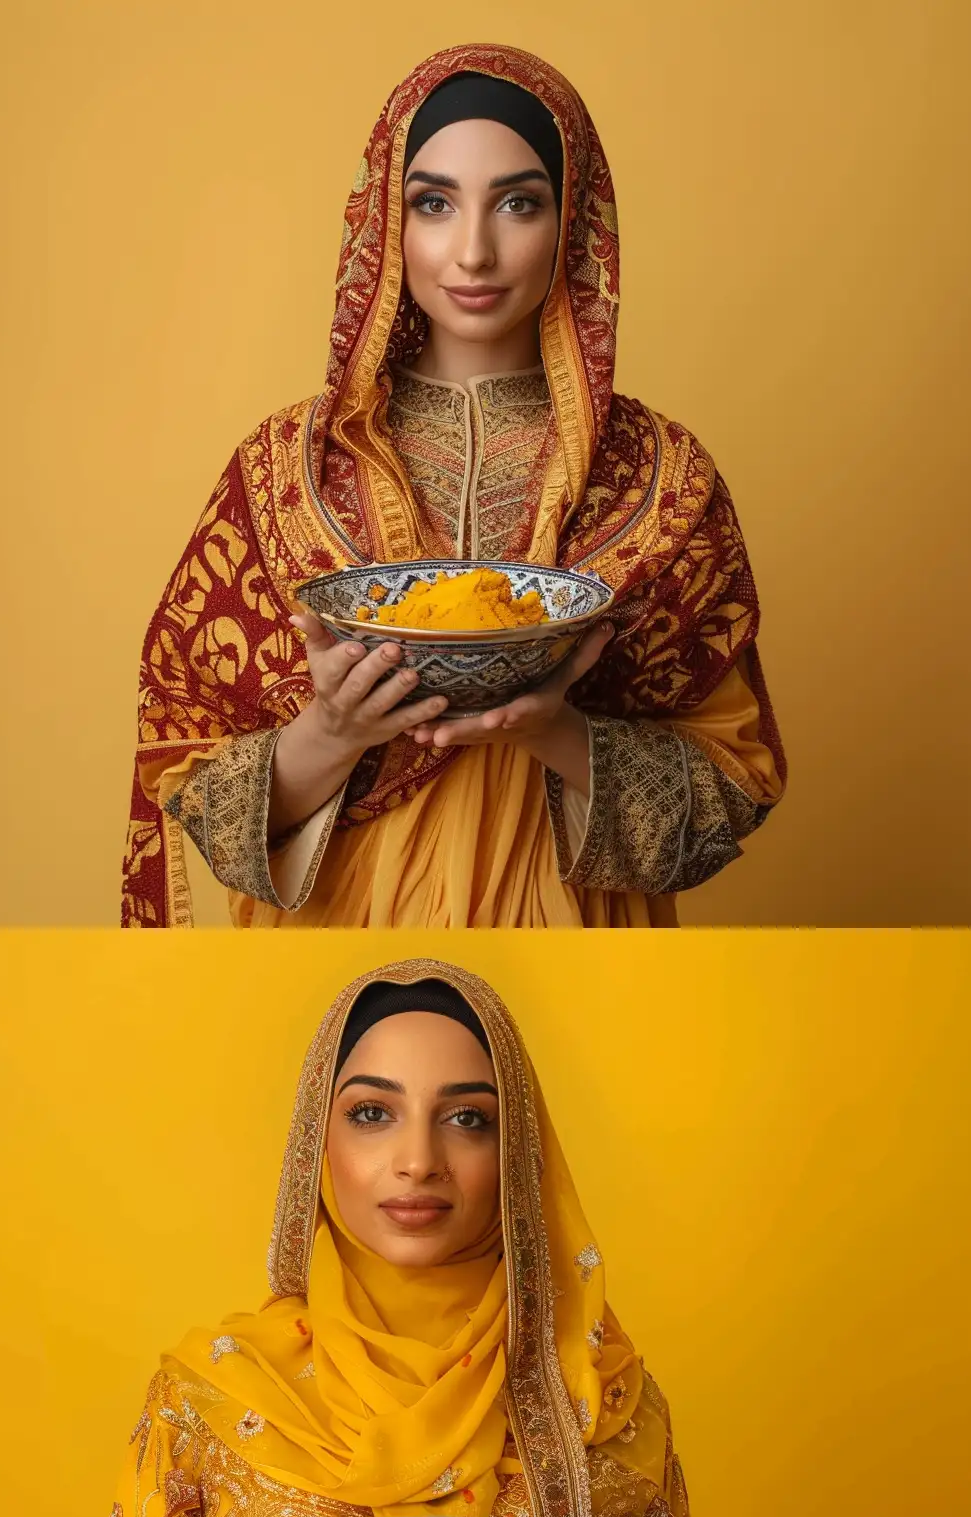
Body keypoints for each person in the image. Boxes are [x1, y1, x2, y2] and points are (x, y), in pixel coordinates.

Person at [36, 961, 737, 1517]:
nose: (418, 1159)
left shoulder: (603, 1409)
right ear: (315, 1147)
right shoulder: (215, 1405)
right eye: (372, 1113)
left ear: (516, 1152)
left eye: (468, 1119)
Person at [124, 46, 784, 927]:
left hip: (575, 935)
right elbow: (194, 789)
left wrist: (552, 729)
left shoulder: (665, 477)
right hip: (339, 933)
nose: (473, 250)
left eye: (519, 203)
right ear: (385, 227)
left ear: (576, 223)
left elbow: (731, 794)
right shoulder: (284, 467)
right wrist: (335, 732)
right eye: (433, 203)